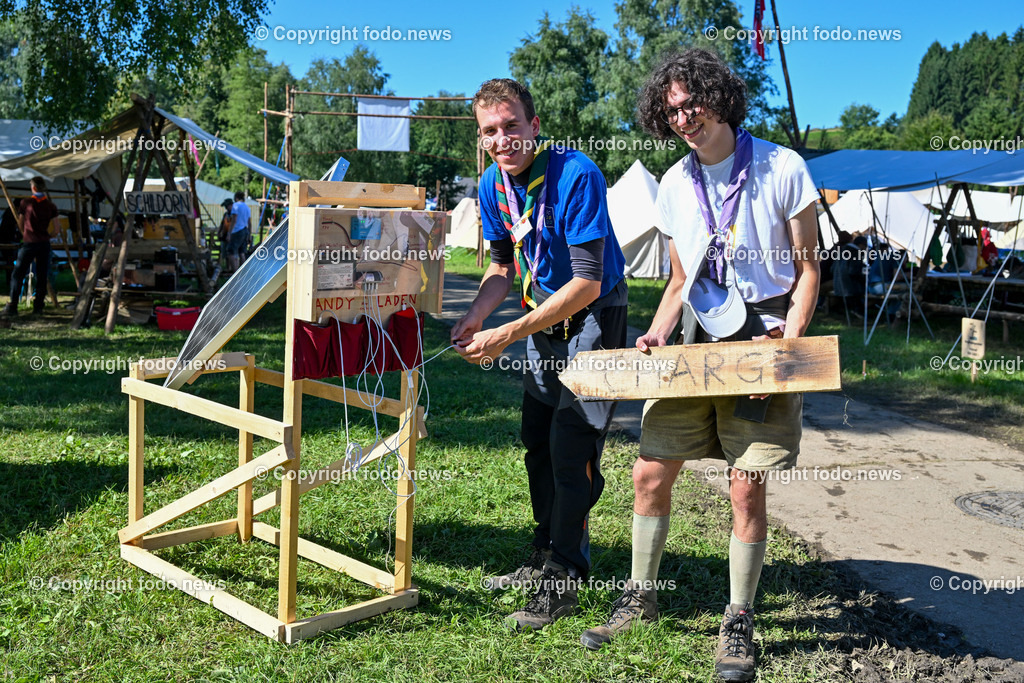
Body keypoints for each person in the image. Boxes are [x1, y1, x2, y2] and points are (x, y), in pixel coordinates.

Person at [580, 49, 820, 683]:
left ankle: (738, 616)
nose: (685, 118)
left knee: (746, 484)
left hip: (761, 344)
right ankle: (640, 597)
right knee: (649, 472)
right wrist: (656, 334)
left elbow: (808, 270)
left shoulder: (783, 166)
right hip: (694, 348)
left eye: (694, 103)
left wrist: (786, 349)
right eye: (673, 110)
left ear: (721, 96)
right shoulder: (674, 183)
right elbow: (681, 277)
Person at [451, 78, 627, 631]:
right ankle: (543, 554)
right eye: (489, 132)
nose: (502, 140)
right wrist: (478, 313)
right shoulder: (491, 185)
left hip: (594, 316)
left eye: (510, 126)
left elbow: (588, 283)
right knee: (537, 442)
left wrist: (504, 335)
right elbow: (502, 267)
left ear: (534, 127)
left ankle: (564, 578)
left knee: (571, 447)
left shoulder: (575, 174)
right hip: (545, 321)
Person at [3, 177, 60, 316]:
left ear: (33, 188)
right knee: (42, 275)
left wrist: (26, 233)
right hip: (44, 243)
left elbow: (20, 223)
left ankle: (13, 306)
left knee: (18, 274)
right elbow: (57, 229)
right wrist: (48, 235)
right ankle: (38, 307)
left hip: (29, 242)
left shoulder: (26, 203)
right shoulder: (50, 205)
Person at [224, 191, 251, 272]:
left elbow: (234, 220)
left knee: (230, 251)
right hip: (245, 230)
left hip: (237, 231)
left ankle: (234, 272)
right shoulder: (247, 207)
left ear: (236, 198)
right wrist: (249, 234)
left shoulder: (236, 206)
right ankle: (243, 272)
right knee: (242, 252)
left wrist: (229, 233)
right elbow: (249, 222)